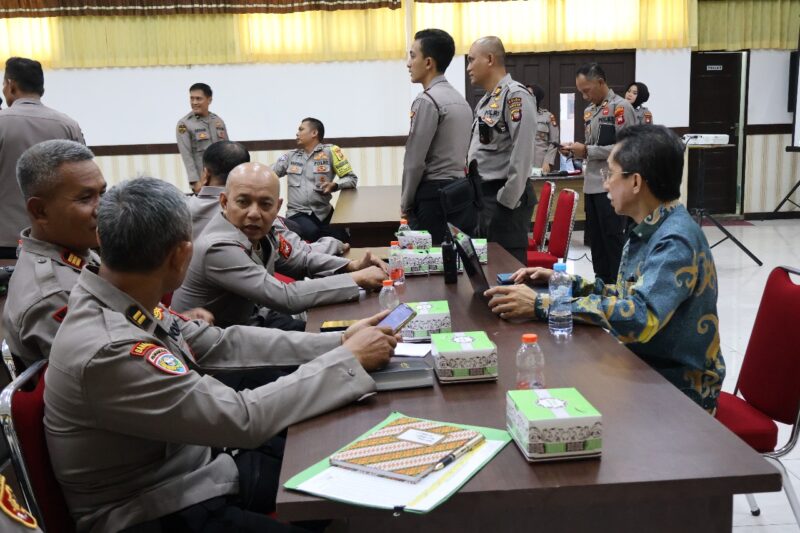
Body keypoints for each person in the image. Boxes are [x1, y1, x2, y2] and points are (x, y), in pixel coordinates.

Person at [44, 176, 396, 532]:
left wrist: (338, 343)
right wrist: (347, 361)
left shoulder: (121, 298)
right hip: (156, 510)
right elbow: (240, 419)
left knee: (331, 457)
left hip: (198, 468)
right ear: (182, 254)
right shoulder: (111, 347)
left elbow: (223, 342)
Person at [486, 125, 725, 414]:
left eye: (610, 174)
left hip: (678, 388)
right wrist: (565, 282)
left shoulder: (675, 240)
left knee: (559, 393)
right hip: (644, 365)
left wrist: (544, 304)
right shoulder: (652, 226)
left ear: (636, 182)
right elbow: (628, 298)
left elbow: (640, 317)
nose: (606, 183)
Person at [1, 140, 212, 370]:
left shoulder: (78, 251)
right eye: (85, 198)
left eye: (103, 192)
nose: (102, 208)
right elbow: (120, 370)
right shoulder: (55, 293)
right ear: (39, 211)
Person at [172, 162, 387, 329]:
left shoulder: (262, 232)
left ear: (278, 207)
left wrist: (352, 266)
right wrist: (356, 279)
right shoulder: (218, 246)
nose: (254, 213)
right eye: (243, 202)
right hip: (217, 349)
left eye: (265, 204)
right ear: (224, 203)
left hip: (253, 324)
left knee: (336, 334)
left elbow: (300, 260)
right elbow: (286, 297)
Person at [191, 140, 347, 256]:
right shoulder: (259, 218)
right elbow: (302, 252)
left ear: (205, 174)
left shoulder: (181, 208)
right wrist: (336, 243)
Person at [0, 57, 85, 259]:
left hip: (6, 242)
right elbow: (84, 180)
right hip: (56, 242)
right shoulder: (68, 125)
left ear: (11, 86)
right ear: (41, 89)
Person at [561, 63, 635, 283]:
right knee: (596, 240)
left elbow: (626, 148)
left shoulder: (621, 107)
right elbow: (593, 146)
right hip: (592, 183)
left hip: (612, 186)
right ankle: (601, 282)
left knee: (612, 238)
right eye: (581, 91)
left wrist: (587, 150)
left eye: (587, 90)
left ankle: (617, 286)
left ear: (601, 82)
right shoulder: (590, 111)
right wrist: (578, 150)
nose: (584, 96)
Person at [401, 28, 476, 243]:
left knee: (431, 265)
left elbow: (414, 162)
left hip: (433, 197)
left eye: (413, 55)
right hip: (460, 192)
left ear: (428, 63)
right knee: (456, 261)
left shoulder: (427, 101)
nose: (408, 63)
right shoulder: (461, 100)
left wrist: (405, 204)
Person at [466, 37, 537, 264]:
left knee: (507, 270)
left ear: (489, 59)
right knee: (488, 271)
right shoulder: (487, 100)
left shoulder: (515, 95)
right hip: (484, 196)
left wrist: (506, 200)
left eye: (471, 60)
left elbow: (523, 150)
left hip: (504, 198)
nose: (468, 67)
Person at [272, 118, 357, 243]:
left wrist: (335, 185)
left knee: (343, 237)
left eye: (301, 129)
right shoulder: (290, 156)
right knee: (312, 233)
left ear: (314, 133)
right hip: (297, 214)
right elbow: (268, 174)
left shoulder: (331, 152)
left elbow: (351, 178)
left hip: (323, 212)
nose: (297, 133)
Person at [176, 83, 229, 194]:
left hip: (223, 179)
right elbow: (187, 155)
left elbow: (228, 151)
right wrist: (194, 182)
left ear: (209, 100)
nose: (194, 102)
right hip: (203, 181)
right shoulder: (184, 124)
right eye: (192, 98)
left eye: (198, 99)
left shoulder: (218, 121)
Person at [526, 83, 560, 173]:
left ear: (537, 97)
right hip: (521, 164)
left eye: (529, 94)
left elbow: (554, 142)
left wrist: (547, 162)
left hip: (540, 164)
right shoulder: (517, 116)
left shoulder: (548, 117)